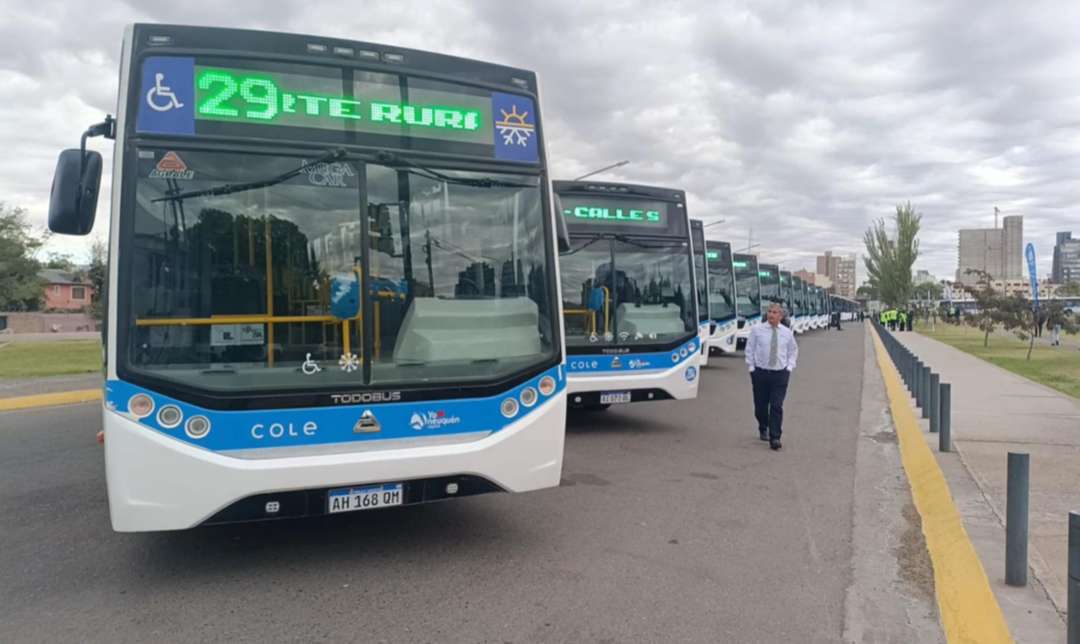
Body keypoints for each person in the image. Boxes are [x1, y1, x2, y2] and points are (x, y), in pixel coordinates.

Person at [747, 303, 799, 451]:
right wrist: (752, 368)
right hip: (761, 373)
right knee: (761, 406)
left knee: (776, 405)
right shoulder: (757, 330)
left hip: (780, 374)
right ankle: (763, 426)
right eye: (769, 312)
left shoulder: (787, 333)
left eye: (775, 312)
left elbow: (793, 350)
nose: (771, 315)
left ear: (780, 316)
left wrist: (789, 367)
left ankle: (775, 437)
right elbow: (750, 349)